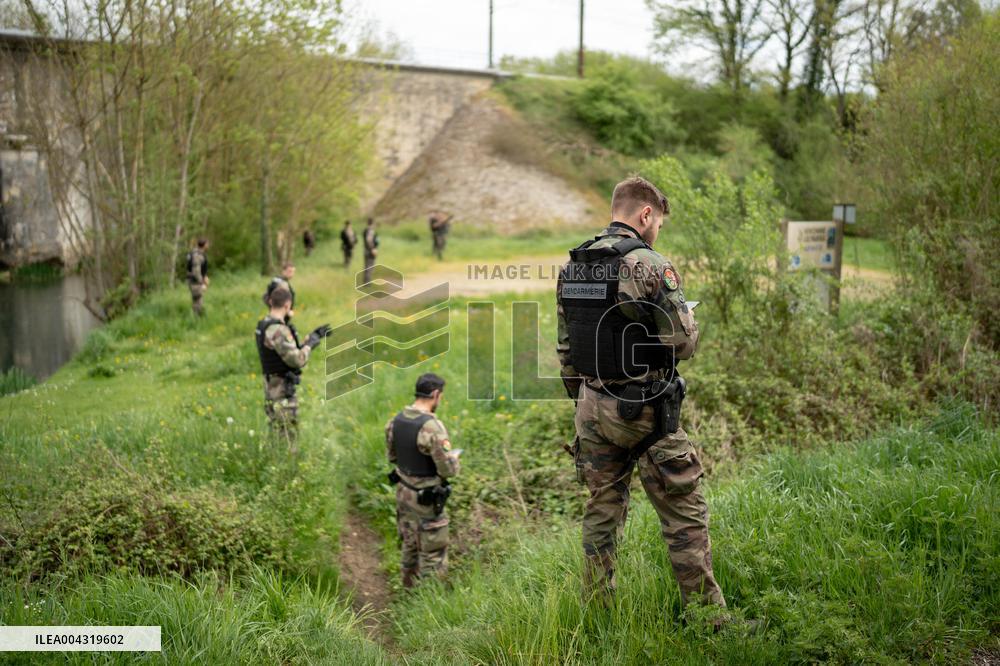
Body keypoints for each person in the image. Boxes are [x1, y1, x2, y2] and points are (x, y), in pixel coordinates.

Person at [556, 176, 725, 611]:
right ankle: (710, 622)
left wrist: (588, 400)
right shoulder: (649, 264)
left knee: (602, 513)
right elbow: (684, 343)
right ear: (645, 214)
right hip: (644, 411)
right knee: (685, 513)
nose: (657, 232)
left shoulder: (574, 265)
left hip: (592, 408)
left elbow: (567, 350)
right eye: (659, 224)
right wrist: (687, 316)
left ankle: (597, 610)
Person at [385, 373, 460, 588]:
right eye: (440, 397)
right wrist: (454, 459)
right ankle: (430, 600)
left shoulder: (396, 421)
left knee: (409, 542)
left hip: (403, 492)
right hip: (426, 500)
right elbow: (447, 470)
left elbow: (392, 457)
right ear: (435, 394)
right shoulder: (432, 427)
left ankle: (407, 591)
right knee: (433, 552)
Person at [255, 286, 330, 453]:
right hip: (280, 388)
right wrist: (310, 344)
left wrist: (307, 341)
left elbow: (284, 353)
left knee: (277, 429)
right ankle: (287, 469)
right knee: (287, 433)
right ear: (287, 305)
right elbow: (297, 360)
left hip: (271, 385)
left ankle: (276, 462)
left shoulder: (264, 324)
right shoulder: (278, 330)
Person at [186, 238, 210, 316]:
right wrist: (202, 283)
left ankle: (197, 318)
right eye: (207, 244)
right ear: (204, 245)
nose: (208, 245)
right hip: (195, 282)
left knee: (197, 300)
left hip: (194, 281)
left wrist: (205, 277)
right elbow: (196, 271)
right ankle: (196, 320)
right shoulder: (197, 255)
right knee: (198, 301)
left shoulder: (195, 253)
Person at [362, 217, 379, 284]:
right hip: (369, 251)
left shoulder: (365, 230)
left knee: (367, 266)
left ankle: (366, 282)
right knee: (370, 266)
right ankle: (367, 282)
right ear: (373, 223)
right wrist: (373, 249)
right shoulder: (370, 230)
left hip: (366, 250)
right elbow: (369, 240)